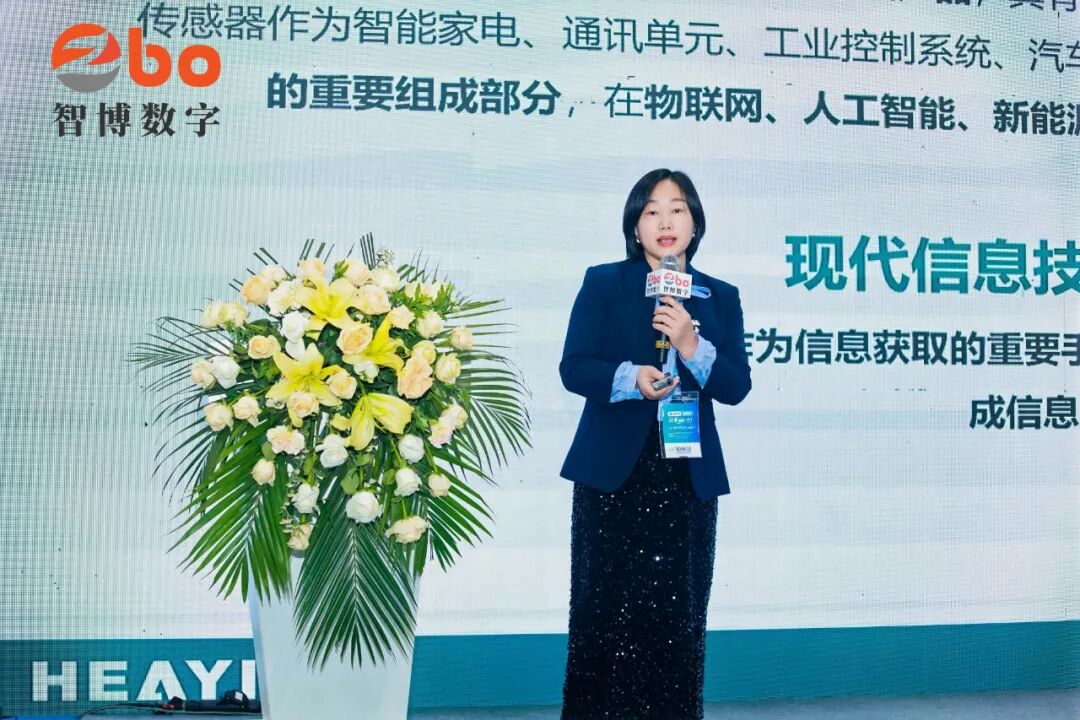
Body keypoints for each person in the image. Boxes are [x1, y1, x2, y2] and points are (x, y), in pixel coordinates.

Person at [558, 169, 752, 720]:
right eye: (651, 210)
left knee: (677, 623)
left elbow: (736, 386)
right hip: (612, 478)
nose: (665, 221)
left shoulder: (720, 296)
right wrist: (632, 378)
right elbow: (575, 367)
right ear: (635, 225)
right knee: (601, 616)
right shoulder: (604, 282)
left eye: (677, 208)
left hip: (685, 481)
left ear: (695, 223)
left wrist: (691, 344)